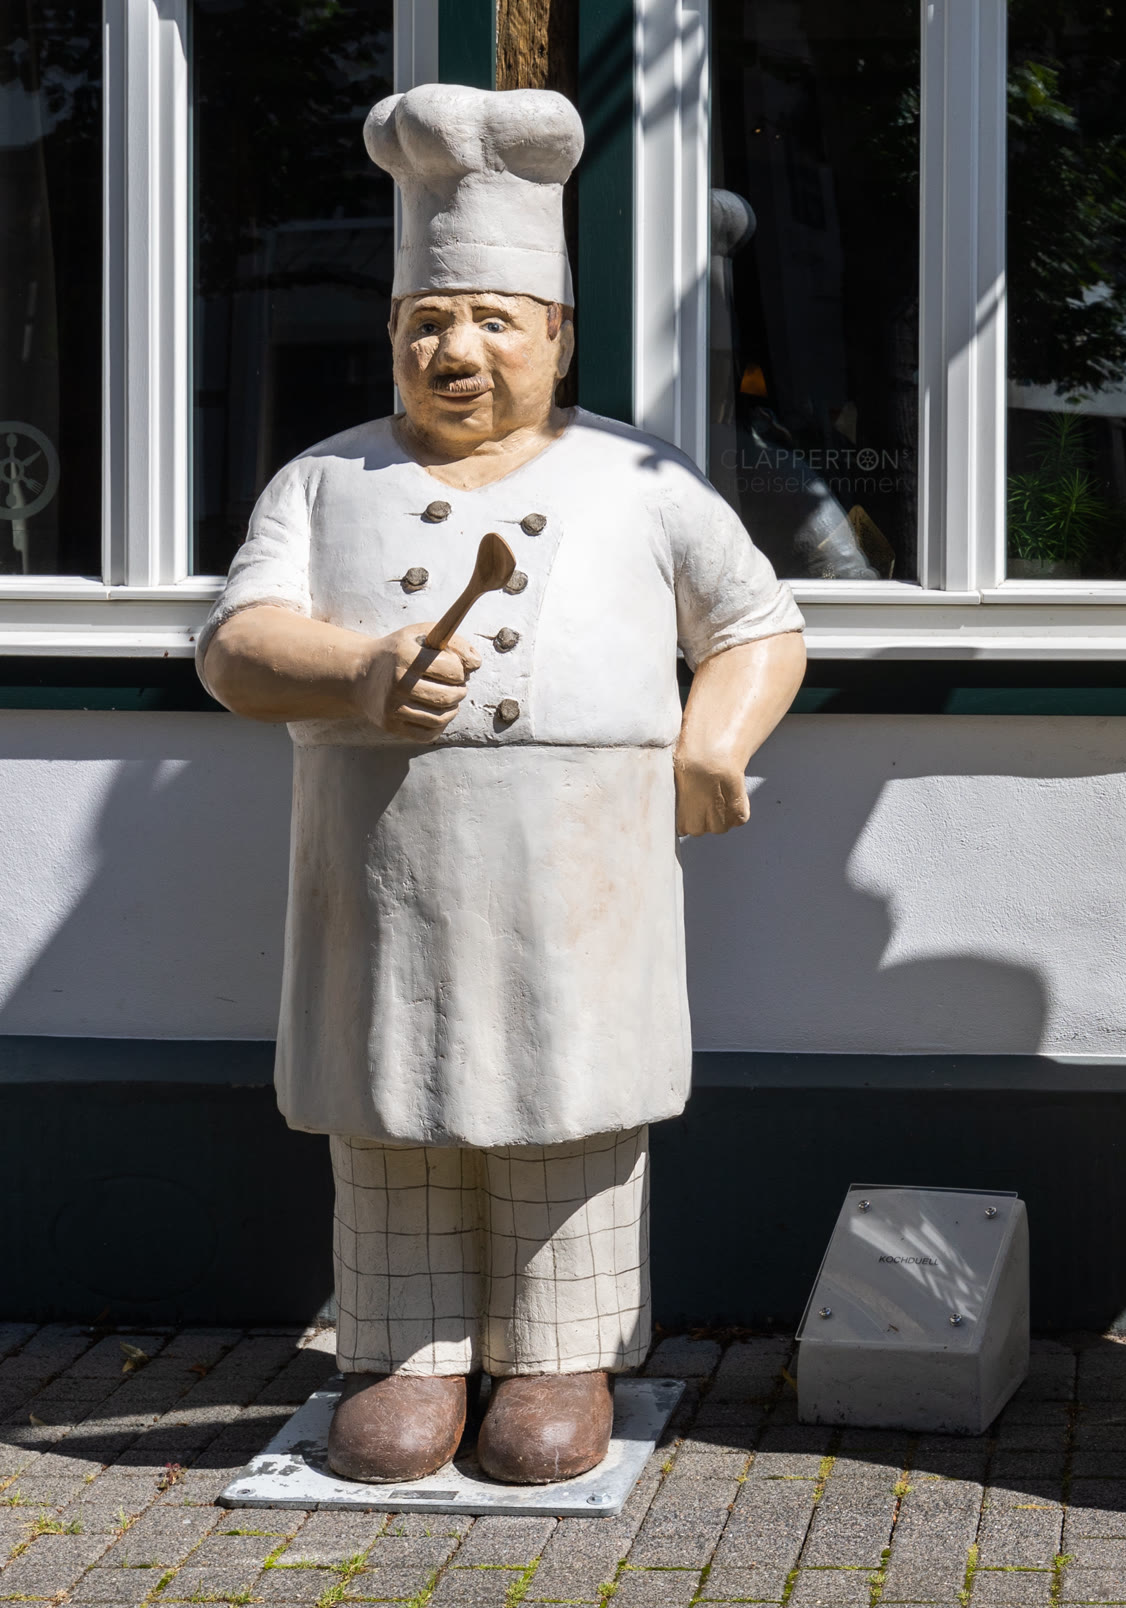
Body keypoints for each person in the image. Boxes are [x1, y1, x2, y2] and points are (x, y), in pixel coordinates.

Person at [198, 85, 806, 1487]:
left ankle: (558, 1355)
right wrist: (359, 671)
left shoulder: (642, 479)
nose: (456, 351)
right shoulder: (325, 481)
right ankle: (403, 1353)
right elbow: (234, 646)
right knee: (392, 1100)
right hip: (384, 876)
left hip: (580, 875)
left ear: (558, 336)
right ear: (392, 334)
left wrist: (713, 741)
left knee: (568, 1096)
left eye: (492, 321)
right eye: (427, 323)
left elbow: (759, 626)